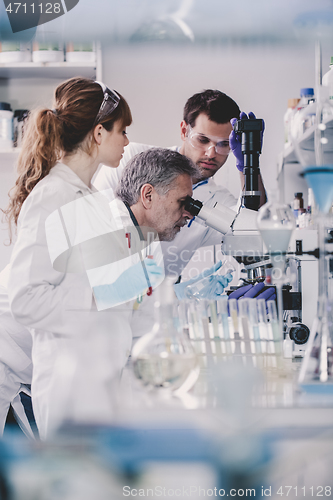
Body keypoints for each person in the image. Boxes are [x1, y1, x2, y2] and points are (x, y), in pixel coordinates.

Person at [0, 76, 198, 438]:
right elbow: (27, 299)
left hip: (95, 381)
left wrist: (139, 291)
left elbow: (100, 290)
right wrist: (107, 293)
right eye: (122, 130)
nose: (126, 141)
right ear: (98, 133)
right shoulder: (53, 196)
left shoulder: (88, 200)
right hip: (66, 386)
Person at [93, 90, 266, 278]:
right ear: (184, 130)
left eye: (224, 144)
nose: (211, 153)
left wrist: (249, 163)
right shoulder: (131, 158)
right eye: (202, 140)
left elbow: (251, 225)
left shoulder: (217, 199)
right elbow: (94, 221)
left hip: (156, 296)